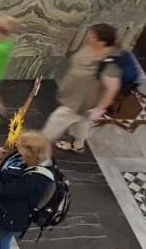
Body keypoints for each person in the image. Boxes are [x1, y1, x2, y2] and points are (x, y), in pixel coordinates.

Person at [43, 23, 125, 153]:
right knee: (82, 121)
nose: (88, 38)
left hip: (82, 102)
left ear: (102, 42)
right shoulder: (92, 48)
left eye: (92, 36)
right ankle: (78, 145)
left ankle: (38, 146)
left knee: (57, 119)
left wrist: (99, 109)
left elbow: (112, 88)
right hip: (76, 97)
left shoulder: (110, 64)